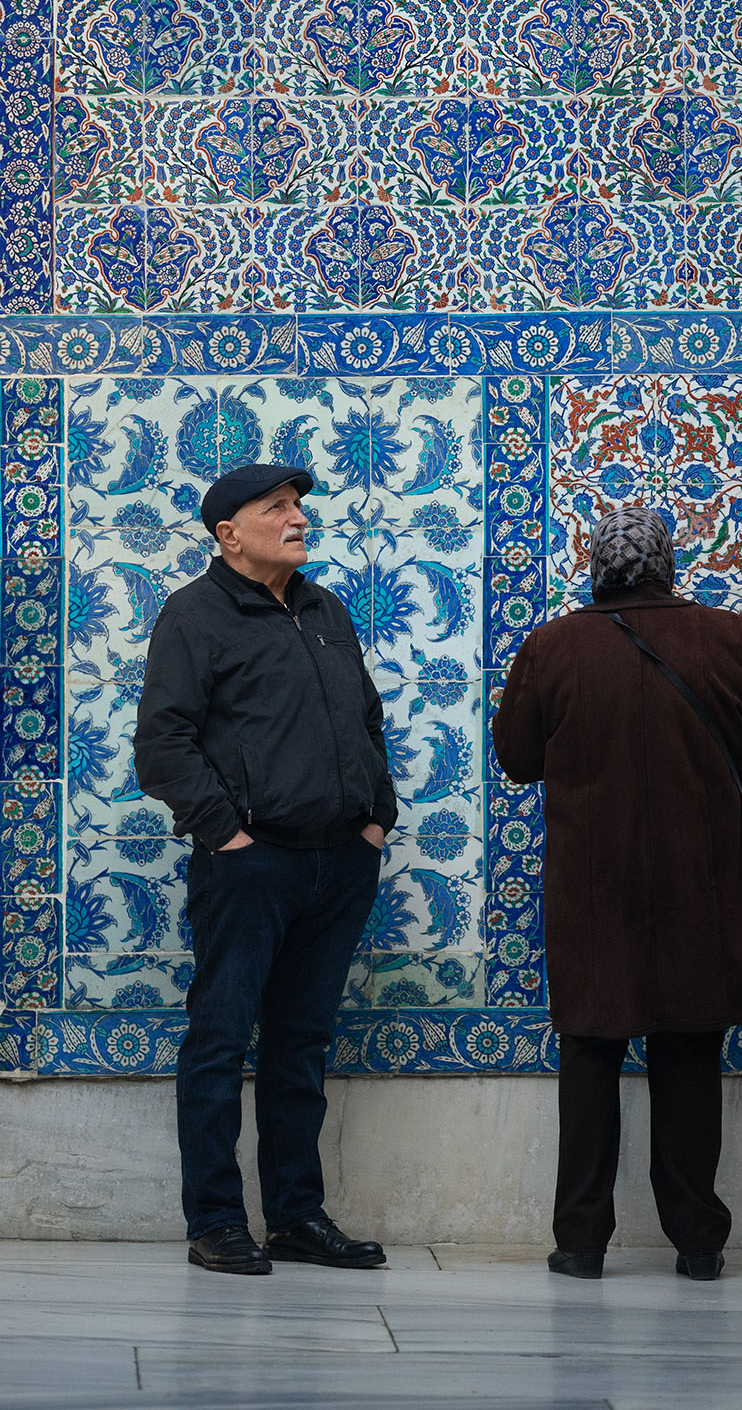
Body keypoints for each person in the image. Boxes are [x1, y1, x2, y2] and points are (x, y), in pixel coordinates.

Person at [492, 506, 742, 1281]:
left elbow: (518, 760)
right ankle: (698, 1242)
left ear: (597, 565)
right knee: (690, 1051)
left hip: (593, 894)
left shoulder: (553, 645)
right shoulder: (731, 637)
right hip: (703, 884)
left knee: (589, 1055)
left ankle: (581, 1242)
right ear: (669, 563)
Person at [134, 464, 397, 1276]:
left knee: (301, 1046)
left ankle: (294, 1216)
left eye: (299, 507)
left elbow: (365, 718)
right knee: (219, 1040)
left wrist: (374, 820)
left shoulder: (324, 609)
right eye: (275, 509)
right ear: (228, 533)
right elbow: (162, 745)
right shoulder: (195, 615)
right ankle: (214, 1222)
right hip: (250, 868)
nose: (297, 519)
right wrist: (228, 838)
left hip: (338, 865)